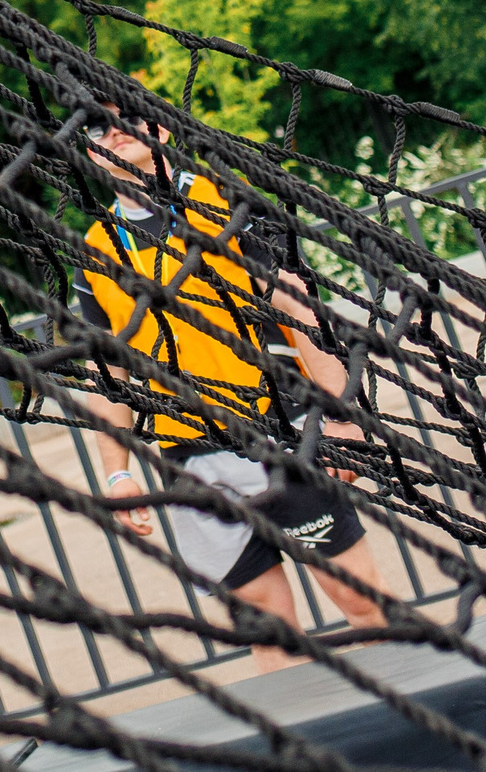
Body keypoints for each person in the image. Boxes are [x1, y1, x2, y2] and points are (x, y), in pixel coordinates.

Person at [71, 115, 392, 673]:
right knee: (267, 631)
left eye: (126, 118)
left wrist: (343, 420)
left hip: (282, 429)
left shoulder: (227, 202)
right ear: (89, 151)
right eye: (97, 128)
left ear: (160, 130)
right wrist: (117, 473)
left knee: (361, 603)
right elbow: (110, 372)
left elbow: (299, 312)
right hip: (192, 454)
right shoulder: (97, 247)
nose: (114, 133)